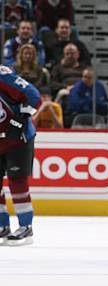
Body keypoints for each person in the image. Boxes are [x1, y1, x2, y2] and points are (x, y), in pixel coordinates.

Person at [0, 64, 41, 246]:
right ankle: (2, 226)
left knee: (17, 179)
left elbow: (33, 96)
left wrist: (22, 119)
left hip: (18, 137)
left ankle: (26, 227)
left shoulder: (2, 75)